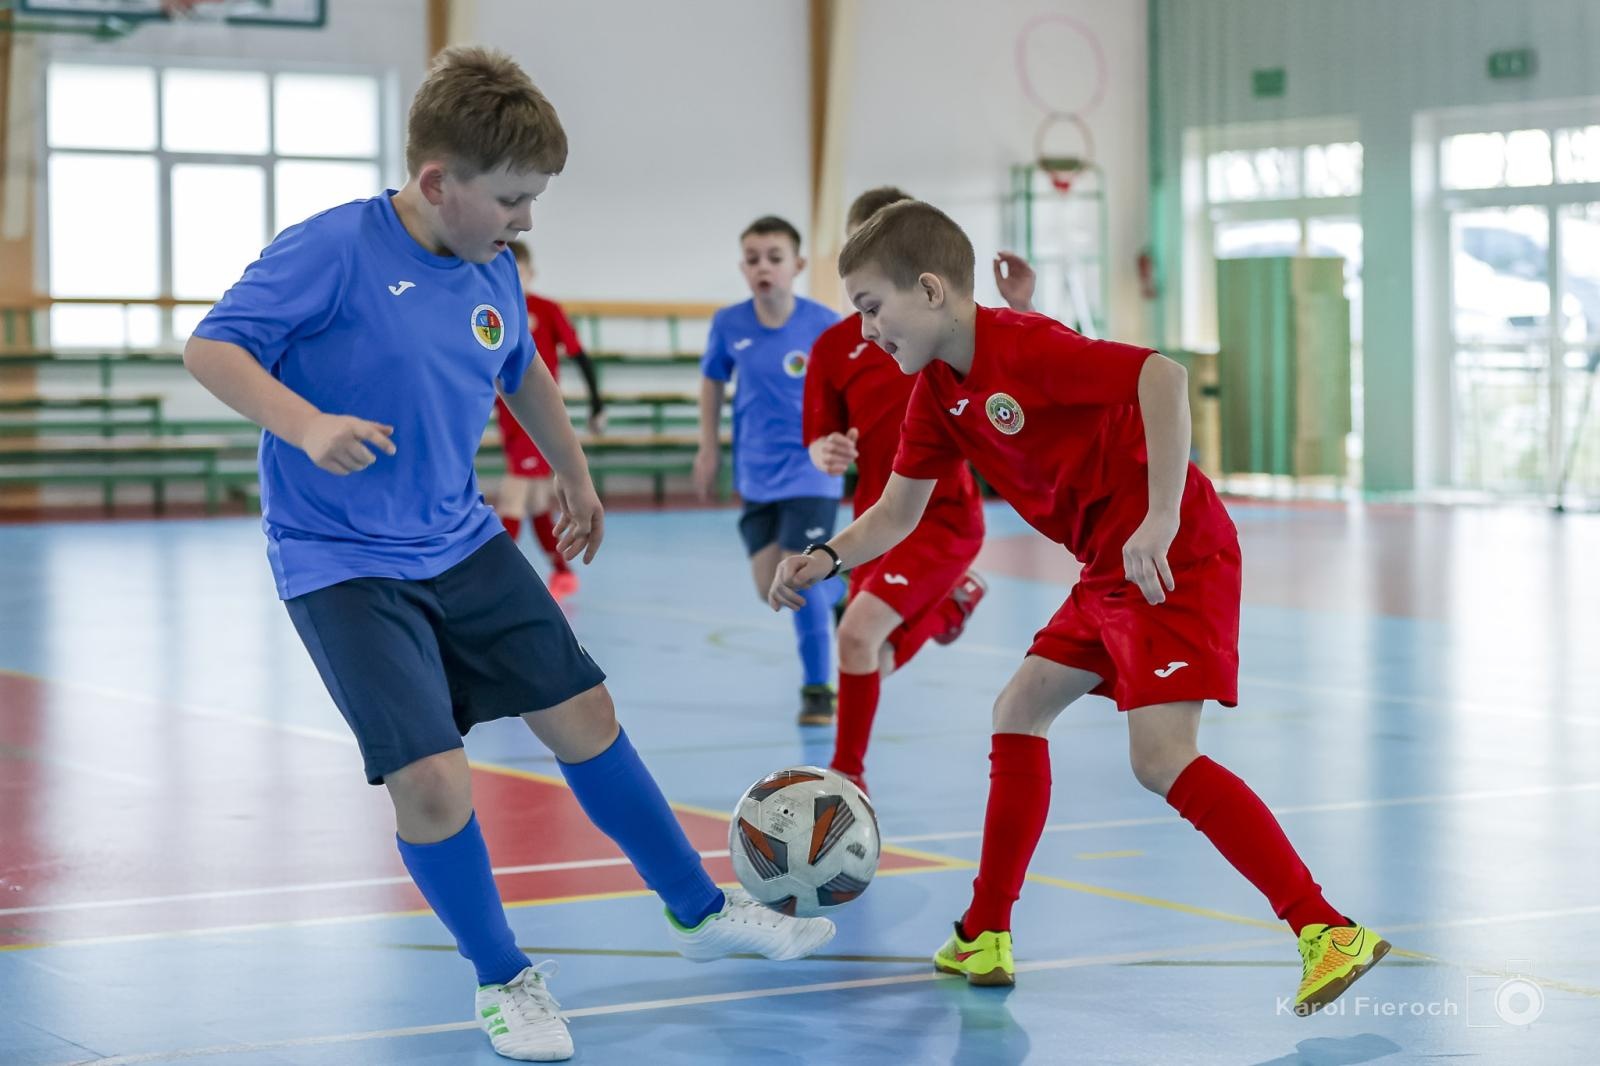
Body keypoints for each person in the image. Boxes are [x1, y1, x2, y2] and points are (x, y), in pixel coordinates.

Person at [183, 46, 834, 1063]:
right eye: (513, 198)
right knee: (434, 784)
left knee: (586, 713)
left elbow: (519, 365)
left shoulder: (485, 265)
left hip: (461, 537)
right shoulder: (328, 250)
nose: (525, 220)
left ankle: (701, 909)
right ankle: (504, 978)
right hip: (341, 559)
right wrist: (305, 423)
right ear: (438, 183)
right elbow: (213, 346)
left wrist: (573, 470)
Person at [769, 199, 1386, 1015]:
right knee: (1017, 709)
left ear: (928, 291)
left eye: (873, 309)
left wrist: (1161, 514)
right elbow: (895, 513)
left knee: (1160, 758)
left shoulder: (1023, 347)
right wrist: (823, 557)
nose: (869, 331)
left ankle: (1324, 930)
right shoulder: (936, 395)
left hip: (1172, 557)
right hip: (1106, 569)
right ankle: (985, 932)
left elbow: (1160, 376)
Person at [804, 185, 1040, 792]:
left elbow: (1022, 369)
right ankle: (945, 611)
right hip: (877, 521)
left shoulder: (941, 332)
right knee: (867, 656)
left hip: (941, 520)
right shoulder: (834, 347)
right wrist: (825, 450)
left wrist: (1022, 307)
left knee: (855, 635)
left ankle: (846, 779)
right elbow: (819, 434)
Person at [694, 216, 845, 725]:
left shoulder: (824, 324)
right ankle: (846, 588)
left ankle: (818, 690)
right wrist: (708, 448)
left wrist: (848, 440)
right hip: (756, 474)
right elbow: (713, 383)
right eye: (753, 258)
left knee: (797, 580)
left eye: (774, 257)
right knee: (770, 589)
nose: (764, 267)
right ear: (743, 267)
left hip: (812, 472)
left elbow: (854, 388)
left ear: (797, 265)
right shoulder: (729, 324)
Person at [493, 240, 604, 600]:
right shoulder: (491, 309)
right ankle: (562, 571)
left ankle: (494, 581)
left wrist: (596, 404)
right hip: (507, 418)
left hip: (536, 417)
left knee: (513, 496)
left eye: (518, 272)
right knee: (537, 501)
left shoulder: (546, 309)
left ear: (529, 273)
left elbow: (580, 356)